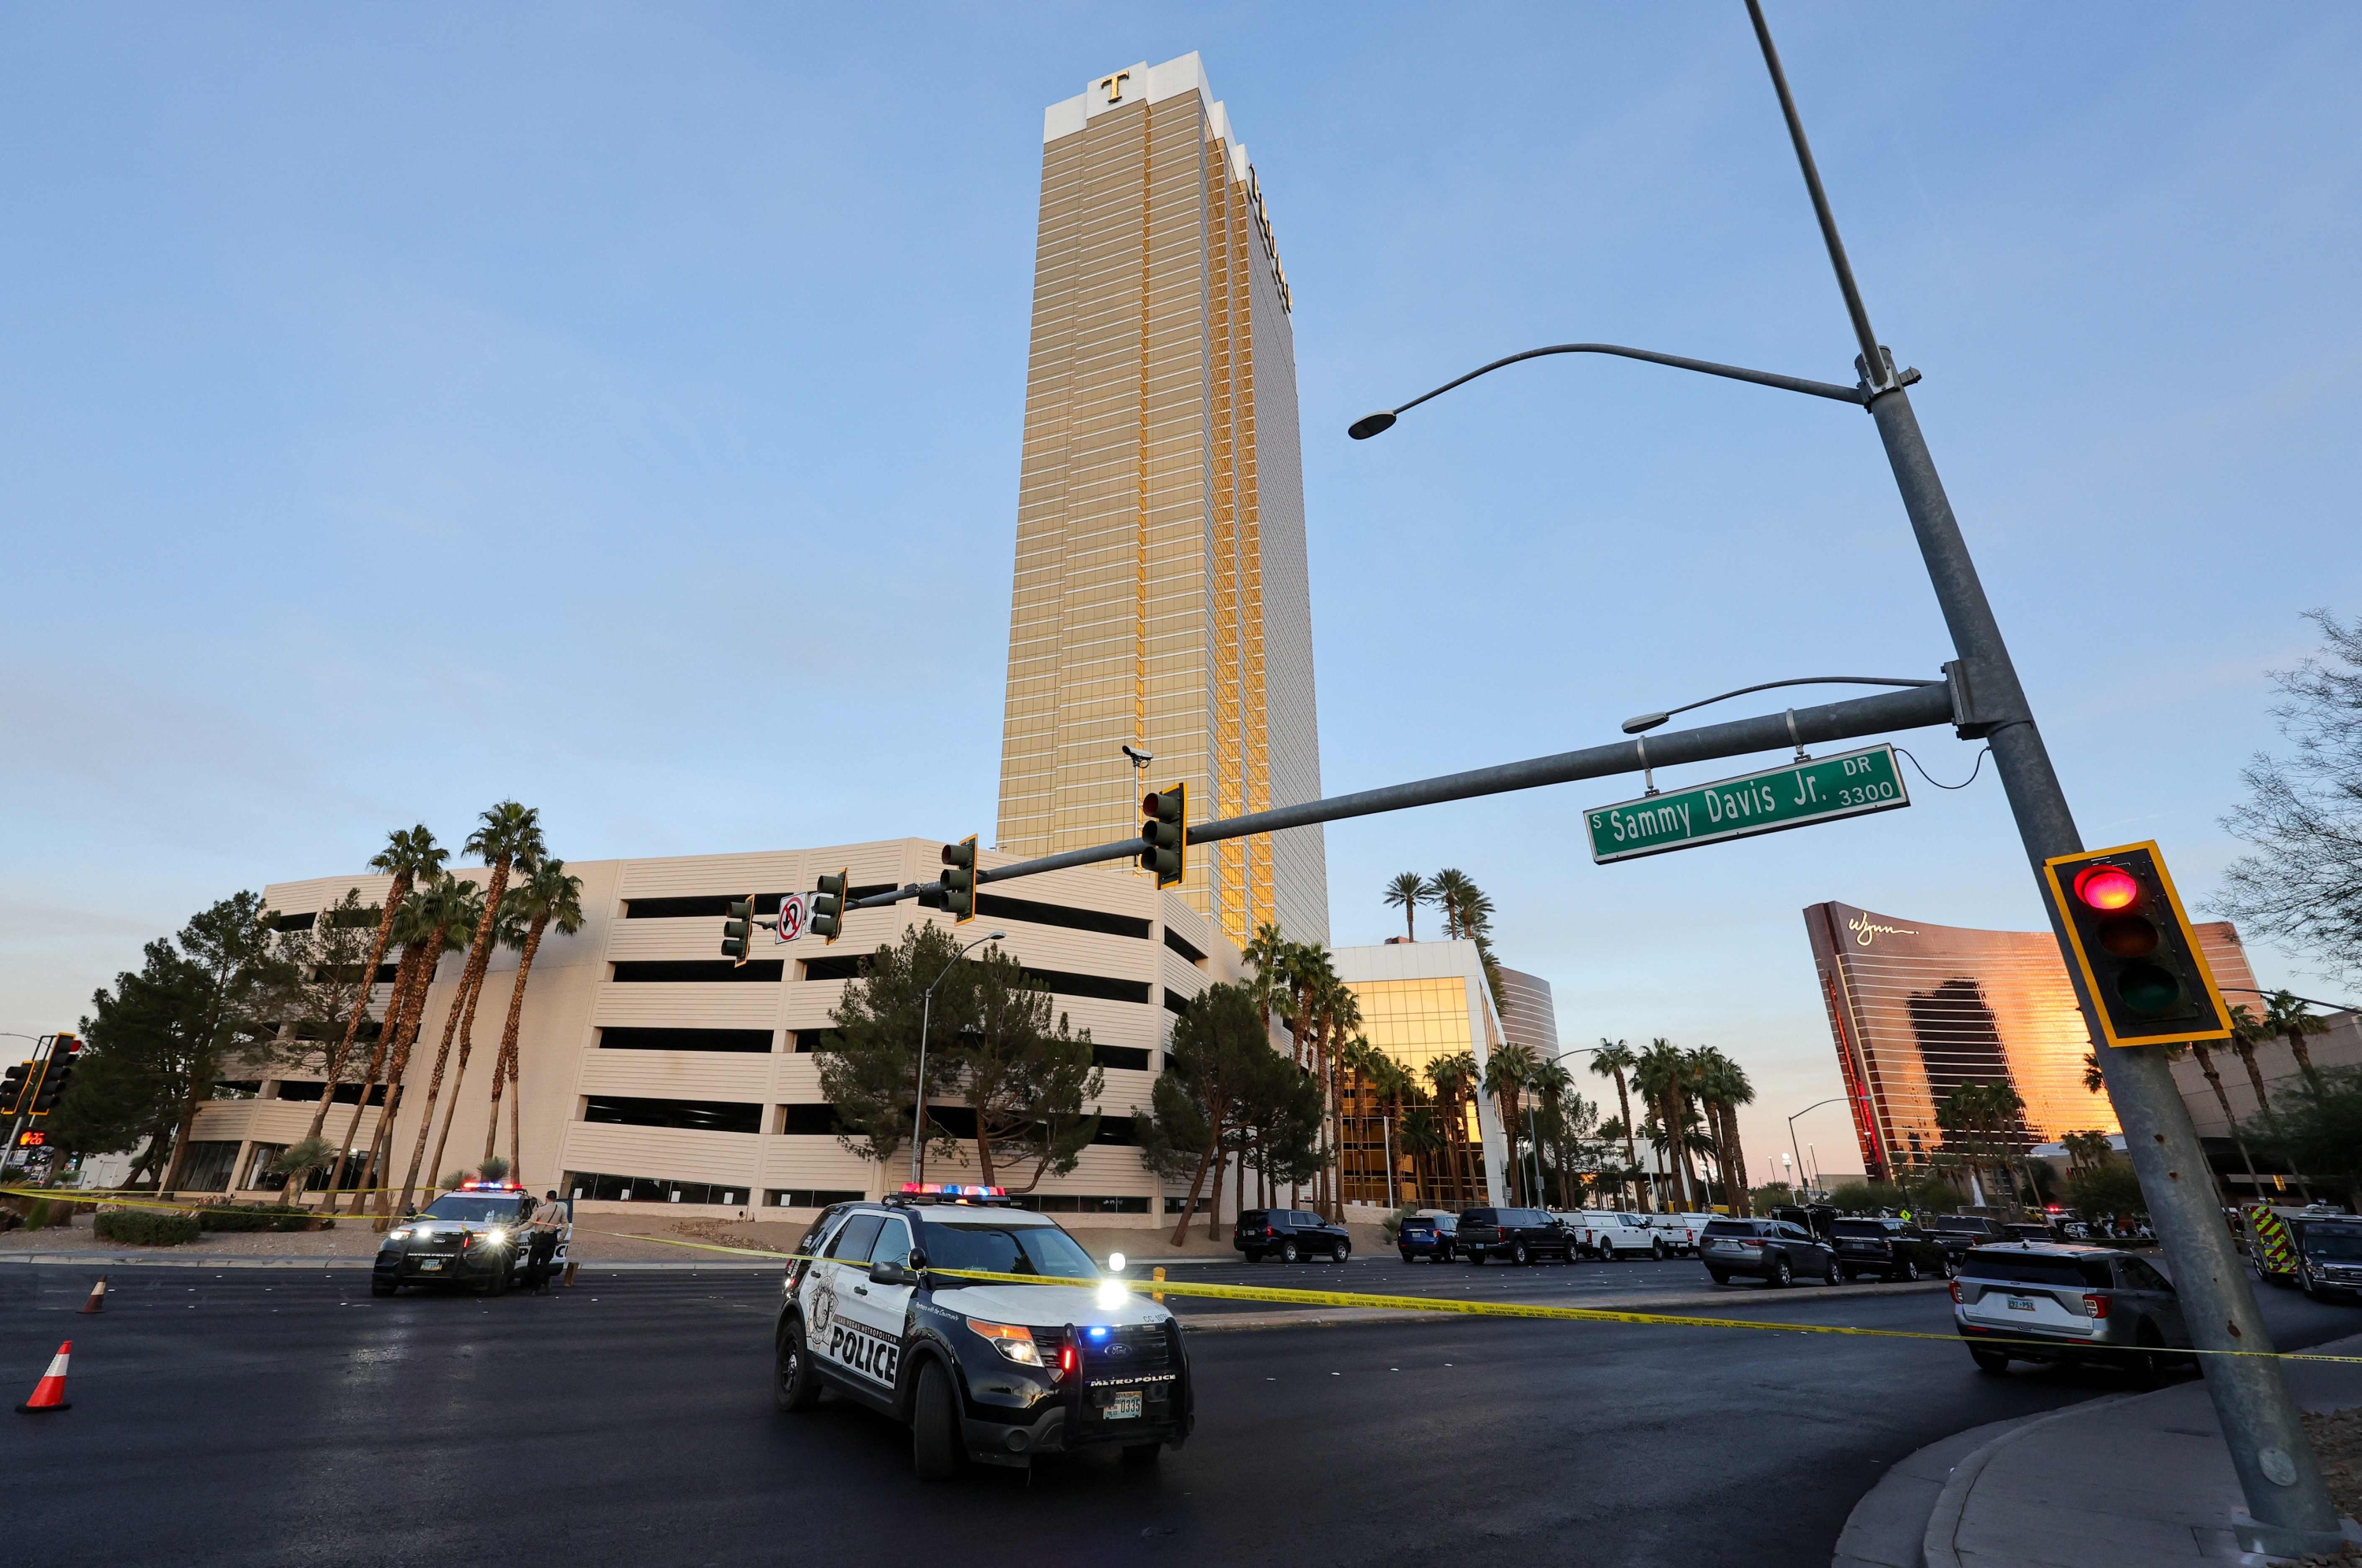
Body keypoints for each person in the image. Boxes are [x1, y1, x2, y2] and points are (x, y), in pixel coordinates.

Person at [526, 1189, 568, 1291]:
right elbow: (565, 1226)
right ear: (555, 1199)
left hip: (539, 1239)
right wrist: (561, 1239)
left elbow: (529, 1224)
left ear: (546, 1197)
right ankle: (541, 1283)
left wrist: (515, 1231)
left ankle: (539, 1285)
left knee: (532, 1263)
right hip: (551, 1239)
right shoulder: (560, 1210)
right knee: (544, 1264)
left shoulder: (540, 1210)